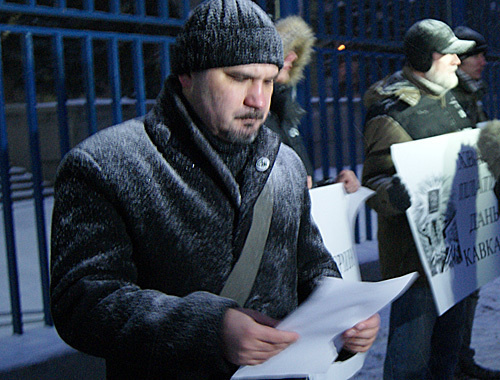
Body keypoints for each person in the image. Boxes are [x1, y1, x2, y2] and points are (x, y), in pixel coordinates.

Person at [49, 1, 380, 379]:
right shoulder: (106, 163)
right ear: (188, 74)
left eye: (268, 80)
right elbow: (82, 302)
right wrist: (209, 330)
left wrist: (343, 314)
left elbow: (311, 264)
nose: (258, 99)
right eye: (239, 78)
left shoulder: (284, 163)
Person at [361, 19, 475, 379]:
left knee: (447, 354)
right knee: (409, 364)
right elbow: (375, 183)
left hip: (459, 252)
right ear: (426, 59)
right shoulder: (393, 110)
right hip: (417, 261)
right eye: (449, 54)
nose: (458, 61)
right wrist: (395, 195)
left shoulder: (453, 97)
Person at [451, 27, 500, 380]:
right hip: (451, 212)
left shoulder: (472, 95)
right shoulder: (448, 97)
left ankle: (462, 357)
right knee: (452, 295)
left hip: (474, 207)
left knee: (470, 288)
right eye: (476, 55)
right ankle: (450, 361)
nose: (483, 61)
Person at [266, 15, 360, 192]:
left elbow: (303, 187)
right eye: (283, 50)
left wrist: (332, 187)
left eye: (294, 50)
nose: (293, 56)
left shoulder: (281, 112)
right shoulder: (253, 117)